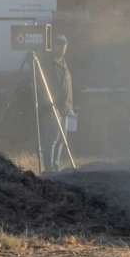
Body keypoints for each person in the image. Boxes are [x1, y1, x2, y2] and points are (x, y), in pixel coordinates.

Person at [41, 34, 74, 172]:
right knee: (52, 138)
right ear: (54, 46)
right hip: (54, 109)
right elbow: (47, 87)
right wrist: (51, 106)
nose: (62, 46)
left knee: (61, 138)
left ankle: (55, 166)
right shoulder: (51, 64)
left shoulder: (63, 63)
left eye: (64, 44)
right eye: (60, 44)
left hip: (65, 108)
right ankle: (49, 169)